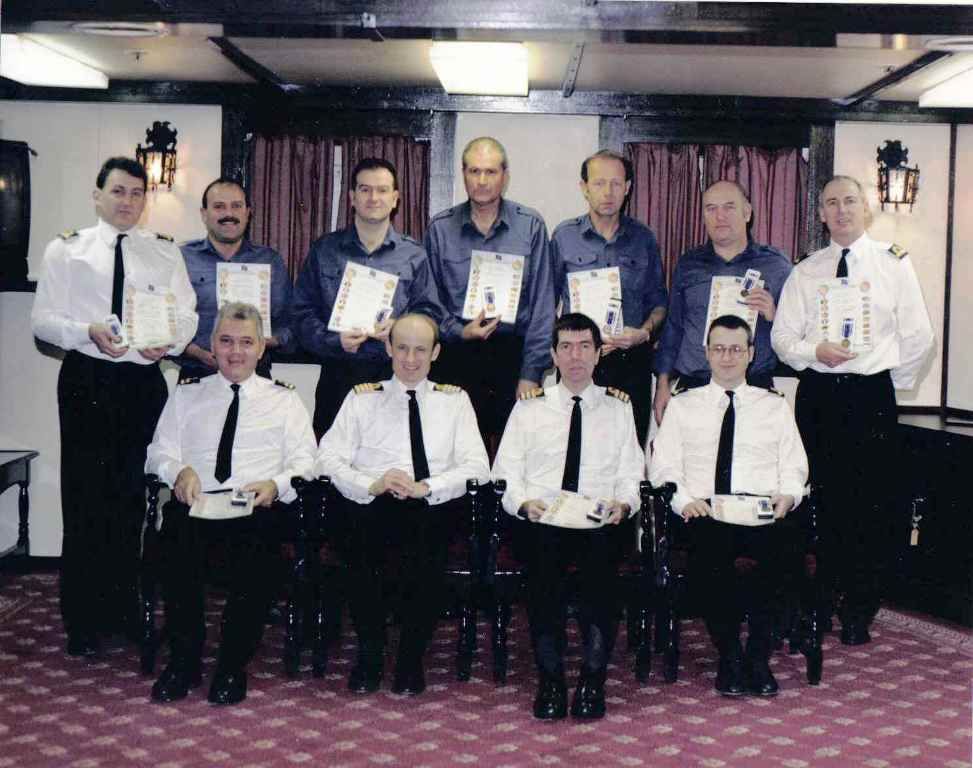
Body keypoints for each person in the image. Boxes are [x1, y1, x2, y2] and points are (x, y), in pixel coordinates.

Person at [31, 156, 198, 658]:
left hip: (142, 382)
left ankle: (128, 610)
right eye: (119, 192)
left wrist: (166, 344)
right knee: (85, 499)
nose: (128, 202)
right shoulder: (67, 250)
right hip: (88, 380)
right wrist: (86, 332)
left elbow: (187, 315)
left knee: (133, 499)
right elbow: (43, 321)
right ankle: (82, 619)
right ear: (97, 195)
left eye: (137, 194)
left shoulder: (164, 254)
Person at [771, 175, 934, 645]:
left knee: (871, 504)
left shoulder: (893, 264)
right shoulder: (807, 270)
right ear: (820, 214)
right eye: (830, 203)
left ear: (865, 209)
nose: (840, 210)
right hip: (821, 395)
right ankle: (820, 598)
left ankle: (860, 607)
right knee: (820, 499)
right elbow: (783, 338)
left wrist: (886, 383)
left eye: (849, 201)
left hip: (870, 399)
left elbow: (918, 337)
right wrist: (812, 353)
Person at [145, 302, 316, 705]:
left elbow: (307, 462)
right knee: (175, 544)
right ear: (212, 345)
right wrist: (179, 471)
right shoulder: (187, 396)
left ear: (261, 349)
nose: (235, 352)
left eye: (245, 342)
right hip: (198, 503)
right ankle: (183, 661)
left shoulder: (285, 400)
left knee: (256, 555)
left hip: (253, 507)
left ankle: (230, 666)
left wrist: (276, 484)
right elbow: (158, 452)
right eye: (225, 341)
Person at [317, 313, 489, 696]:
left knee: (427, 546)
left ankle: (411, 658)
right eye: (403, 348)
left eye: (421, 350)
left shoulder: (455, 401)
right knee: (360, 541)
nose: (411, 359)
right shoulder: (362, 399)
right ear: (389, 348)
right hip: (372, 504)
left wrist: (428, 487)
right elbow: (326, 458)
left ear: (436, 352)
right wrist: (372, 483)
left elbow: (478, 466)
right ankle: (371, 653)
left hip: (432, 506)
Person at [492, 313, 643, 720]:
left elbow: (631, 475)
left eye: (584, 347)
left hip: (599, 521)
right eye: (566, 347)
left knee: (603, 579)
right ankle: (551, 680)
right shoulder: (529, 410)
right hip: (544, 520)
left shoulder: (619, 408)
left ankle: (593, 680)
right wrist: (524, 504)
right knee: (544, 580)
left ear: (598, 354)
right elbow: (505, 474)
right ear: (554, 355)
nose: (575, 356)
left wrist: (624, 505)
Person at [650, 314, 808, 696]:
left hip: (762, 510)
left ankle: (758, 654)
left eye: (736, 349)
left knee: (787, 551)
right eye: (719, 348)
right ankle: (730, 656)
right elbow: (663, 466)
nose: (727, 357)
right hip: (706, 511)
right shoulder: (684, 406)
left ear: (751, 354)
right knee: (711, 555)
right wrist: (684, 501)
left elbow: (794, 465)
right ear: (706, 352)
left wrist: (788, 494)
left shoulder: (774, 407)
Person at [292, 157, 443, 437]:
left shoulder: (414, 254)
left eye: (382, 190)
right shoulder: (324, 250)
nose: (374, 197)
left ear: (395, 198)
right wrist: (333, 340)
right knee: (333, 466)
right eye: (364, 189)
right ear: (351, 197)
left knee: (393, 459)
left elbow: (431, 314)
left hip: (395, 375)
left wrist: (400, 328)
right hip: (338, 373)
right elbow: (300, 313)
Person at [425, 137, 555, 449]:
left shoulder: (531, 226)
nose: (482, 181)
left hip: (512, 358)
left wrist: (531, 372)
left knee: (511, 459)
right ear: (463, 173)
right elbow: (428, 301)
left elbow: (542, 306)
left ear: (505, 176)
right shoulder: (440, 228)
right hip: (456, 356)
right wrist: (459, 330)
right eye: (474, 171)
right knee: (455, 453)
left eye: (491, 172)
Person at [551, 149, 667, 445]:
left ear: (628, 188)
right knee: (572, 449)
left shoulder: (644, 239)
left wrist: (644, 332)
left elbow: (659, 302)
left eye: (616, 184)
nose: (608, 192)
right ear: (584, 188)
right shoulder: (564, 236)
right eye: (599, 183)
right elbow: (546, 302)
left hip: (631, 362)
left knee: (627, 451)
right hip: (578, 362)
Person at [654, 180, 792, 426]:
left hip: (753, 387)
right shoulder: (688, 264)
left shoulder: (777, 265)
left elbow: (795, 332)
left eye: (729, 207)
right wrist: (662, 384)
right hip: (695, 385)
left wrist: (774, 314)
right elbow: (673, 328)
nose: (720, 216)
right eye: (711, 208)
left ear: (747, 212)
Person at [178, 177, 294, 381]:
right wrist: (196, 352)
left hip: (256, 376)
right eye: (219, 207)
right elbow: (170, 321)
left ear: (248, 213)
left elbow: (290, 323)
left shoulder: (269, 261)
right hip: (198, 373)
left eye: (236, 206)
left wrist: (265, 342)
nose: (228, 214)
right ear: (204, 214)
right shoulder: (182, 258)